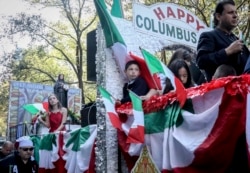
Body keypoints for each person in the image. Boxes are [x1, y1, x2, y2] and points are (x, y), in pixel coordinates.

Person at [196, 0, 250, 82]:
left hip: (242, 91)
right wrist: (227, 51)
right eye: (230, 12)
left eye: (236, 12)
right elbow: (201, 61)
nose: (235, 15)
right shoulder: (208, 36)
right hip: (218, 91)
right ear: (218, 16)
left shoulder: (239, 41)